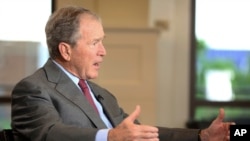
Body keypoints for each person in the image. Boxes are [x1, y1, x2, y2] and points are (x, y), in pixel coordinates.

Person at [11, 6, 234, 141]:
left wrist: (201, 136)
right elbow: (50, 135)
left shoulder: (102, 94)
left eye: (102, 42)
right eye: (94, 43)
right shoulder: (34, 89)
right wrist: (111, 136)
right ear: (66, 50)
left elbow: (142, 135)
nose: (103, 51)